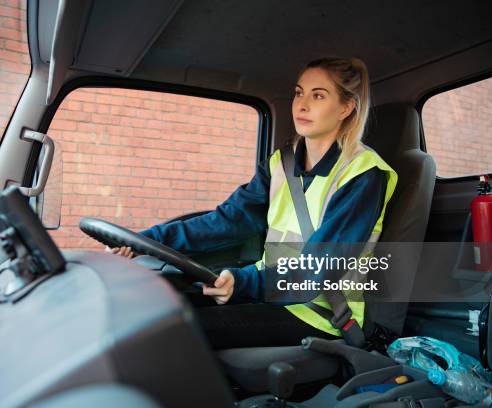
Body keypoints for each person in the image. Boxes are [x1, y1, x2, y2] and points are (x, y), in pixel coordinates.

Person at [112, 56, 398, 349]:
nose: (301, 104)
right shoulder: (280, 165)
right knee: (158, 310)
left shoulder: (362, 174)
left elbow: (320, 268)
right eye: (299, 93)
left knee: (175, 332)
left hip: (320, 315)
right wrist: (144, 240)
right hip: (272, 295)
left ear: (346, 108)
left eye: (318, 96)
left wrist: (245, 281)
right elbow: (227, 221)